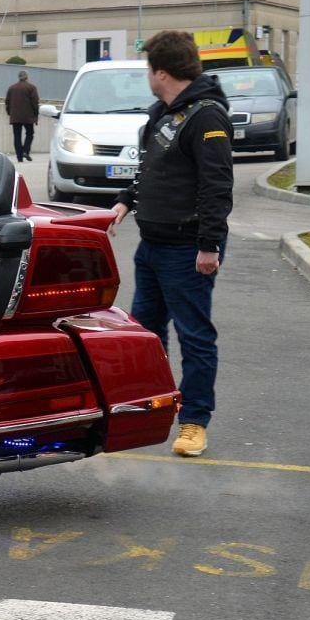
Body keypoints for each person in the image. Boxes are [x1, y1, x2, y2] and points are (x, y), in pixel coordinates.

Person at [110, 30, 233, 458]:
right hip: (152, 245)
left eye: (148, 69)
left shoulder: (206, 116)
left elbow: (216, 186)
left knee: (195, 337)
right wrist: (125, 203)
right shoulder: (162, 113)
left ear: (161, 72)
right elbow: (150, 170)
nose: (147, 76)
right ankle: (150, 411)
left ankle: (194, 424)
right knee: (145, 334)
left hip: (187, 251)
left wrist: (209, 246)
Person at [5, 70, 39, 163]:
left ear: (19, 77)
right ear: (27, 77)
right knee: (30, 133)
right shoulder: (31, 87)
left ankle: (19, 157)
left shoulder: (11, 88)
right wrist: (36, 115)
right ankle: (25, 151)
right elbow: (35, 103)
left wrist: (10, 113)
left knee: (17, 136)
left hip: (15, 116)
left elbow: (7, 102)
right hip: (28, 116)